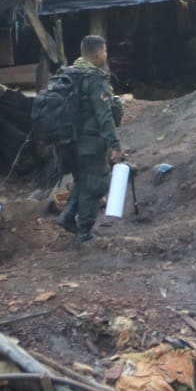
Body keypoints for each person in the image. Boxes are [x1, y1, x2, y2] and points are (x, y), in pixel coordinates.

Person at [56, 35, 124, 240]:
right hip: (91, 143)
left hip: (69, 142)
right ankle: (85, 232)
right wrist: (115, 145)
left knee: (81, 180)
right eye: (105, 52)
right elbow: (104, 116)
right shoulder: (95, 79)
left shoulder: (69, 72)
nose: (105, 55)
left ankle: (68, 217)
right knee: (95, 185)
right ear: (98, 54)